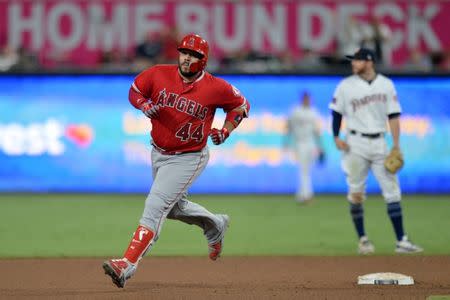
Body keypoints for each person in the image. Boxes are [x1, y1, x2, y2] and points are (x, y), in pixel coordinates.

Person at [102, 33, 250, 288]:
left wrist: (225, 130)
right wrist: (143, 104)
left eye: (193, 55)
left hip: (189, 156)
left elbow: (242, 106)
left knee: (155, 204)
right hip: (159, 152)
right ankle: (215, 224)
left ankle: (126, 264)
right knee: (172, 208)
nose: (186, 58)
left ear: (203, 60)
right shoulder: (159, 73)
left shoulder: (216, 87)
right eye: (184, 52)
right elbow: (135, 90)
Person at [329, 48, 423, 255]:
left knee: (392, 191)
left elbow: (394, 116)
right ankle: (363, 240)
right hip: (355, 143)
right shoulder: (345, 86)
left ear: (369, 61)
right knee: (355, 193)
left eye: (358, 60)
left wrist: (396, 145)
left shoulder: (386, 85)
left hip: (380, 142)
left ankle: (402, 241)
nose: (354, 63)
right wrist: (336, 136)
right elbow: (336, 113)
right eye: (353, 61)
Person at [286, 92, 325, 203]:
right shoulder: (296, 111)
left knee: (306, 170)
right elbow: (289, 126)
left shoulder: (313, 112)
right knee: (303, 170)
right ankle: (307, 195)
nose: (308, 100)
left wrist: (320, 146)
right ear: (302, 99)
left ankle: (301, 195)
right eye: (306, 99)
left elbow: (317, 131)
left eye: (309, 99)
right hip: (300, 143)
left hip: (310, 143)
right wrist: (287, 142)